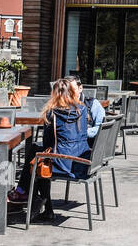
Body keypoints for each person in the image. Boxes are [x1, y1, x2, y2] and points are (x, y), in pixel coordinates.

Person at [9, 77, 91, 221]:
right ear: (72, 93)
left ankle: (27, 193)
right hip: (82, 161)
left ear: (54, 94)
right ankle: (33, 198)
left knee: (39, 162)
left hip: (64, 163)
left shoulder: (52, 113)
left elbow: (48, 143)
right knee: (37, 153)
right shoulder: (82, 110)